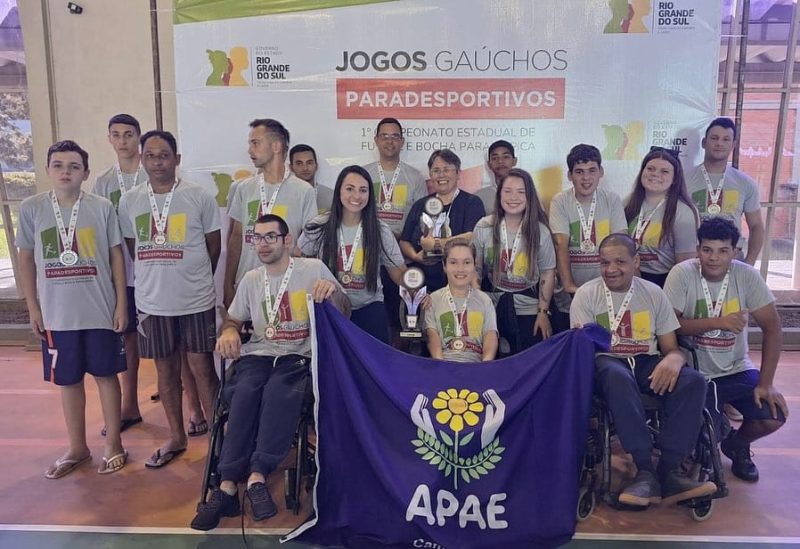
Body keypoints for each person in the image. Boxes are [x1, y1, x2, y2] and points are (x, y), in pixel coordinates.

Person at [190, 214, 349, 530]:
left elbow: (345, 310)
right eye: (257, 238)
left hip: (297, 357)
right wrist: (229, 333)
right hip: (259, 355)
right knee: (244, 393)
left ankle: (258, 475)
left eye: (270, 237)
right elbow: (233, 320)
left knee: (280, 393)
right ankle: (227, 486)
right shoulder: (251, 279)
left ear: (287, 240)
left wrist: (332, 291)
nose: (262, 244)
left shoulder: (312, 269)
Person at [570, 233, 715, 507]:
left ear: (636, 262)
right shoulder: (586, 295)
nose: (611, 269)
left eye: (620, 262)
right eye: (604, 263)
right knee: (616, 376)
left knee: (694, 382)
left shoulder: (653, 293)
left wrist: (675, 358)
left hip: (647, 361)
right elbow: (582, 352)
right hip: (606, 362)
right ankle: (645, 468)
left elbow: (670, 347)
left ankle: (670, 471)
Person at [17, 140, 128, 477]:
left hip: (99, 310)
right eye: (59, 165)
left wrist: (122, 303)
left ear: (86, 172)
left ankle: (114, 445)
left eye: (74, 166)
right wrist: (33, 307)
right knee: (68, 381)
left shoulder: (101, 207)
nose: (66, 172)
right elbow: (25, 258)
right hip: (57, 314)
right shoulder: (32, 208)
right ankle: (78, 447)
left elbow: (116, 257)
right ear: (48, 170)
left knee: (107, 376)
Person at [118, 130, 221, 468]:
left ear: (177, 159)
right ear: (142, 159)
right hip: (152, 302)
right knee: (165, 373)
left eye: (164, 156)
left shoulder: (198, 197)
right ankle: (176, 437)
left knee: (203, 369)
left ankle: (219, 442)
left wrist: (191, 277)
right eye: (151, 156)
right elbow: (134, 249)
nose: (157, 162)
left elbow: (213, 247)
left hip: (195, 300)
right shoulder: (130, 200)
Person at [663, 218, 787, 482]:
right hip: (694, 372)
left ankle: (737, 445)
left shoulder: (747, 276)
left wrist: (766, 384)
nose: (714, 258)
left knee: (773, 416)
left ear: (735, 251)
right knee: (707, 435)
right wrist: (718, 322)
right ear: (698, 250)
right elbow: (668, 326)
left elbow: (774, 329)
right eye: (707, 250)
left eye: (722, 251)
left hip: (736, 368)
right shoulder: (682, 273)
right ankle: (706, 446)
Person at [298, 165, 406, 343]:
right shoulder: (318, 226)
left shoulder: (380, 230)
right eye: (350, 189)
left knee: (373, 363)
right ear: (339, 191)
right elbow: (299, 263)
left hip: (369, 307)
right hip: (329, 305)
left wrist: (417, 288)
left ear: (369, 195)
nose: (356, 196)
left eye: (363, 190)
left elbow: (400, 274)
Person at [92, 113, 146, 435]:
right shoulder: (103, 182)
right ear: (109, 139)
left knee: (171, 340)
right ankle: (130, 404)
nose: (123, 140)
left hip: (155, 269)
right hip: (120, 271)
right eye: (117, 135)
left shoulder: (150, 174)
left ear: (138, 137)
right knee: (127, 338)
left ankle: (190, 405)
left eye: (129, 134)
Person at [224, 119, 317, 308]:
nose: (250, 151)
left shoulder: (303, 191)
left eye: (255, 143)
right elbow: (235, 238)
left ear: (276, 146)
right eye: (250, 144)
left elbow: (308, 245)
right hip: (247, 288)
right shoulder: (243, 188)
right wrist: (227, 285)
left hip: (287, 289)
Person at [472, 168, 556, 355]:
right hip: (492, 303)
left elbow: (548, 272)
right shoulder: (484, 226)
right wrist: (478, 305)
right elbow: (476, 269)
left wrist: (543, 312)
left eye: (521, 192)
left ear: (530, 197)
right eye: (507, 191)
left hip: (528, 306)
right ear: (499, 194)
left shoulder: (540, 231)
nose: (513, 197)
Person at [363, 118, 428, 339]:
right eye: (384, 136)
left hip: (401, 260)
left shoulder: (415, 177)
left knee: (401, 322)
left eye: (395, 136)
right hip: (367, 258)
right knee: (373, 320)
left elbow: (423, 220)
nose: (389, 141)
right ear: (376, 140)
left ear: (402, 142)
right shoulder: (364, 175)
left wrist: (401, 237)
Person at [550, 144, 627, 330]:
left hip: (605, 291)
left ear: (601, 172)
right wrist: (569, 285)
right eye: (579, 172)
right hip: (569, 296)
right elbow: (561, 243)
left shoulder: (612, 199)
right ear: (570, 175)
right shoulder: (560, 201)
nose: (586, 178)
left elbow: (621, 242)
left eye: (592, 170)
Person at [400, 149, 485, 291]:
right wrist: (416, 256)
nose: (441, 175)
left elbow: (471, 237)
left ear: (458, 173)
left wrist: (436, 244)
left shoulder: (472, 202)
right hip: (422, 285)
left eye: (447, 169)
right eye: (436, 170)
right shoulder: (421, 204)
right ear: (430, 175)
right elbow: (404, 241)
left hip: (460, 284)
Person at [686, 117, 764, 265]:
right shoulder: (683, 180)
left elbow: (756, 226)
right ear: (704, 142)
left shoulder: (745, 183)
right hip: (695, 256)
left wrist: (750, 263)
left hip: (733, 257)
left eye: (726, 139)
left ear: (733, 145)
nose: (719, 143)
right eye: (714, 138)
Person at [624, 147, 699, 287]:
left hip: (664, 282)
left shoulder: (683, 212)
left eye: (664, 171)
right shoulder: (627, 203)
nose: (655, 174)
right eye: (650, 169)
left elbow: (685, 266)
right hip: (629, 278)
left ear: (675, 178)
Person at [424, 239, 498, 362]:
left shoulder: (485, 300)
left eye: (467, 262)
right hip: (444, 366)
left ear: (474, 265)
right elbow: (432, 338)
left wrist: (485, 366)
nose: (460, 269)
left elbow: (490, 336)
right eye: (453, 262)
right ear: (444, 266)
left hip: (476, 367)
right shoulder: (433, 300)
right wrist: (442, 367)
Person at [475, 140, 518, 214]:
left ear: (514, 161)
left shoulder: (527, 193)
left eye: (505, 157)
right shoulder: (479, 197)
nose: (500, 161)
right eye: (495, 158)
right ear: (489, 164)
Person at [289, 143, 334, 214]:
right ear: (291, 167)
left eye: (309, 163)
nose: (305, 168)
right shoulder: (282, 196)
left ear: (316, 166)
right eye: (299, 163)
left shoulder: (330, 196)